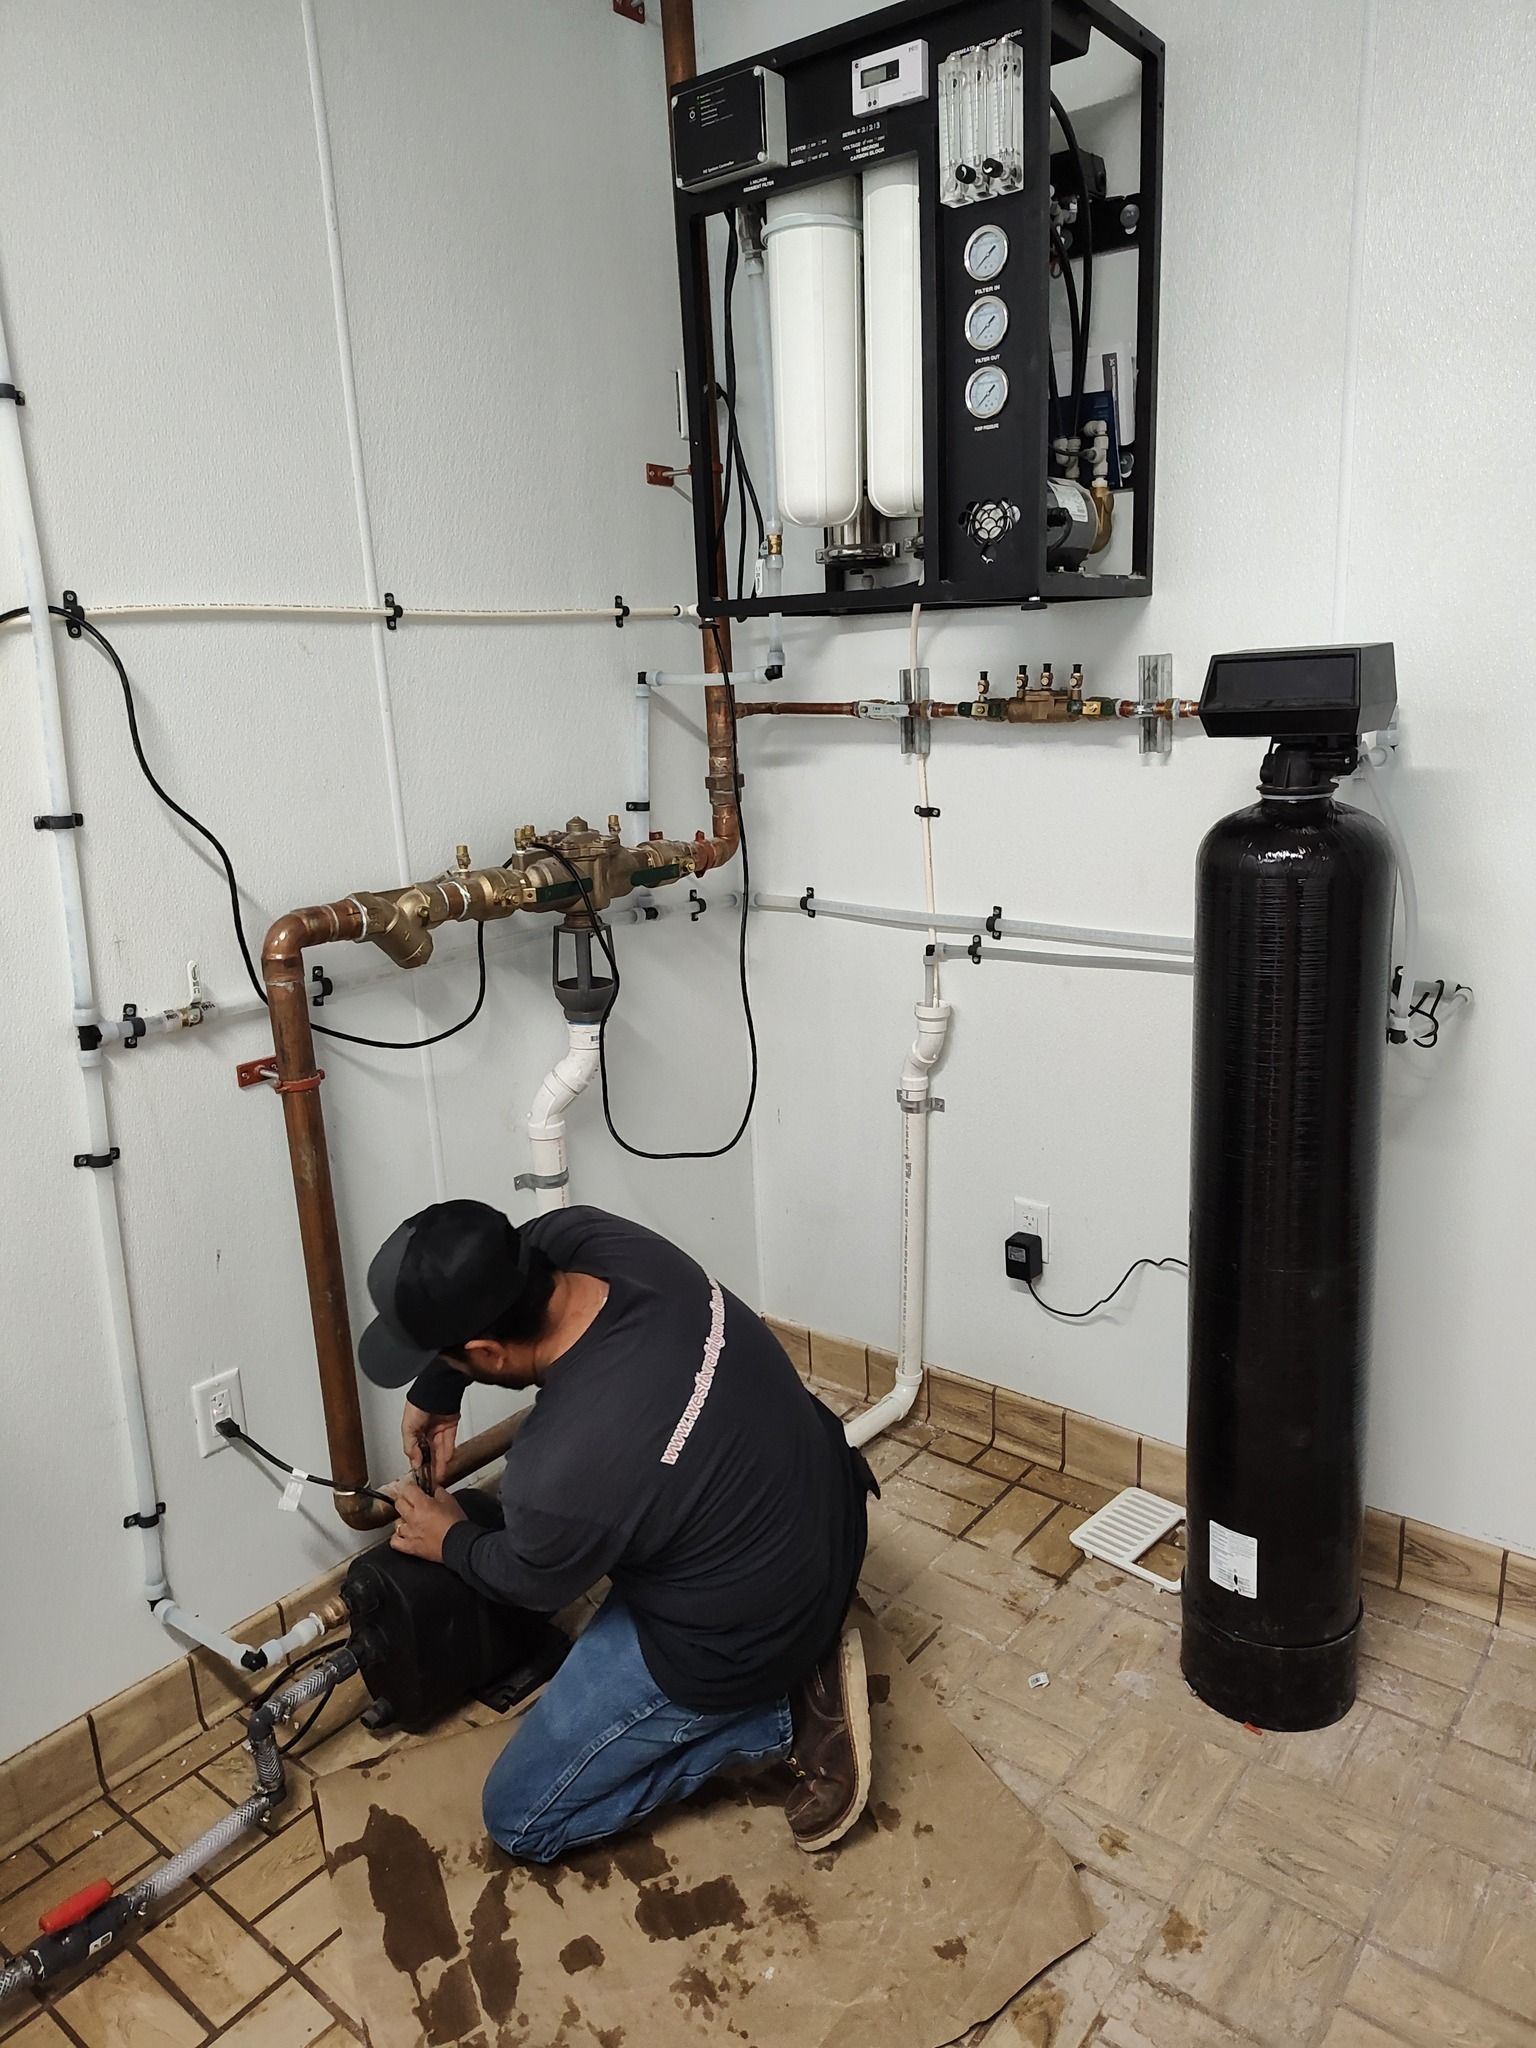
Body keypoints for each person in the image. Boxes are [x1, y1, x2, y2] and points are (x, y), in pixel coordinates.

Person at [356, 1199, 876, 1863]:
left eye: (454, 1361)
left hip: (747, 1630)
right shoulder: (599, 1238)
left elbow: (530, 1581)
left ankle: (785, 1711)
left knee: (518, 1818)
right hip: (826, 1503)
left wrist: (450, 1538)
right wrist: (440, 1384)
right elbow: (532, 1236)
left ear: (485, 1350)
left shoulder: (558, 1466)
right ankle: (797, 1647)